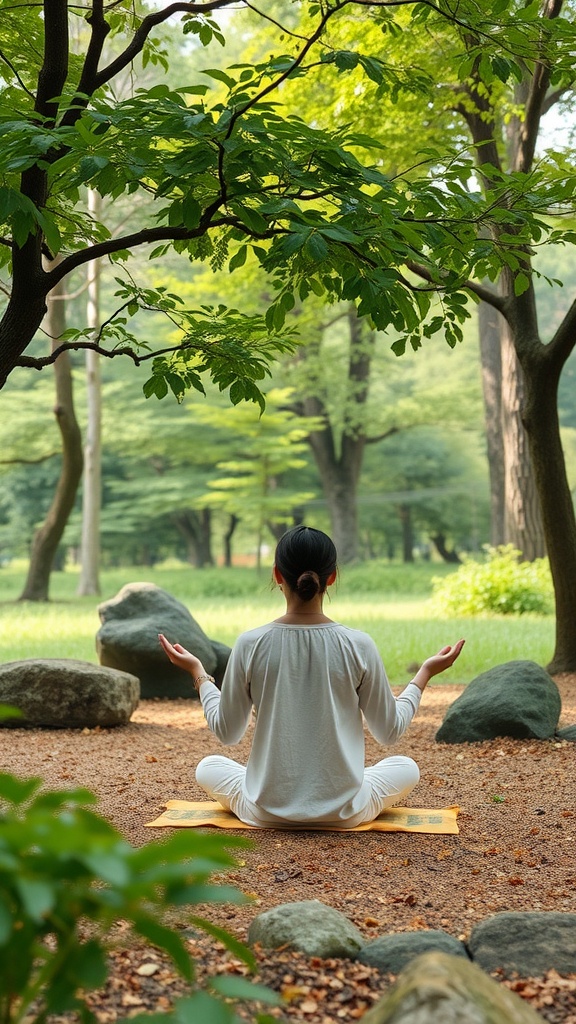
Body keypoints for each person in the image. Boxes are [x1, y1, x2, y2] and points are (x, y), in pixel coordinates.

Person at [159, 525, 464, 829]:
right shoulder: (358, 644)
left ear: (277, 575)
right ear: (331, 577)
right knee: (406, 767)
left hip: (264, 812)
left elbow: (227, 733)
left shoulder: (251, 643)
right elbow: (389, 731)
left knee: (208, 766)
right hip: (345, 812)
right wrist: (423, 674)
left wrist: (199, 674)